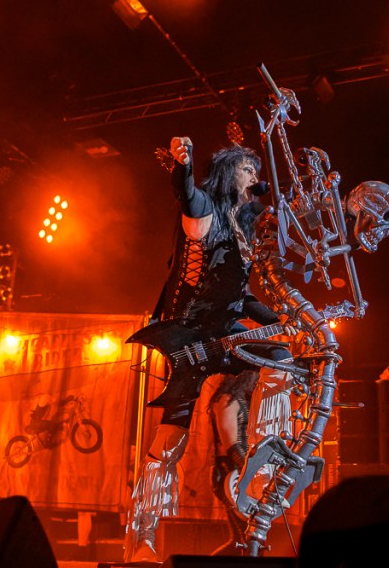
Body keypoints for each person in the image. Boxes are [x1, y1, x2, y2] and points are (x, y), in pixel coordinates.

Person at [124, 137, 293, 563]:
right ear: (227, 174)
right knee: (170, 437)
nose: (254, 177)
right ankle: (142, 537)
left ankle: (263, 461)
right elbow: (188, 196)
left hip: (224, 332)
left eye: (255, 171)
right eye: (246, 169)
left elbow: (242, 295)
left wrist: (280, 321)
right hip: (188, 335)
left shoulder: (243, 228)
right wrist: (183, 164)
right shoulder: (206, 209)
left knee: (280, 357)